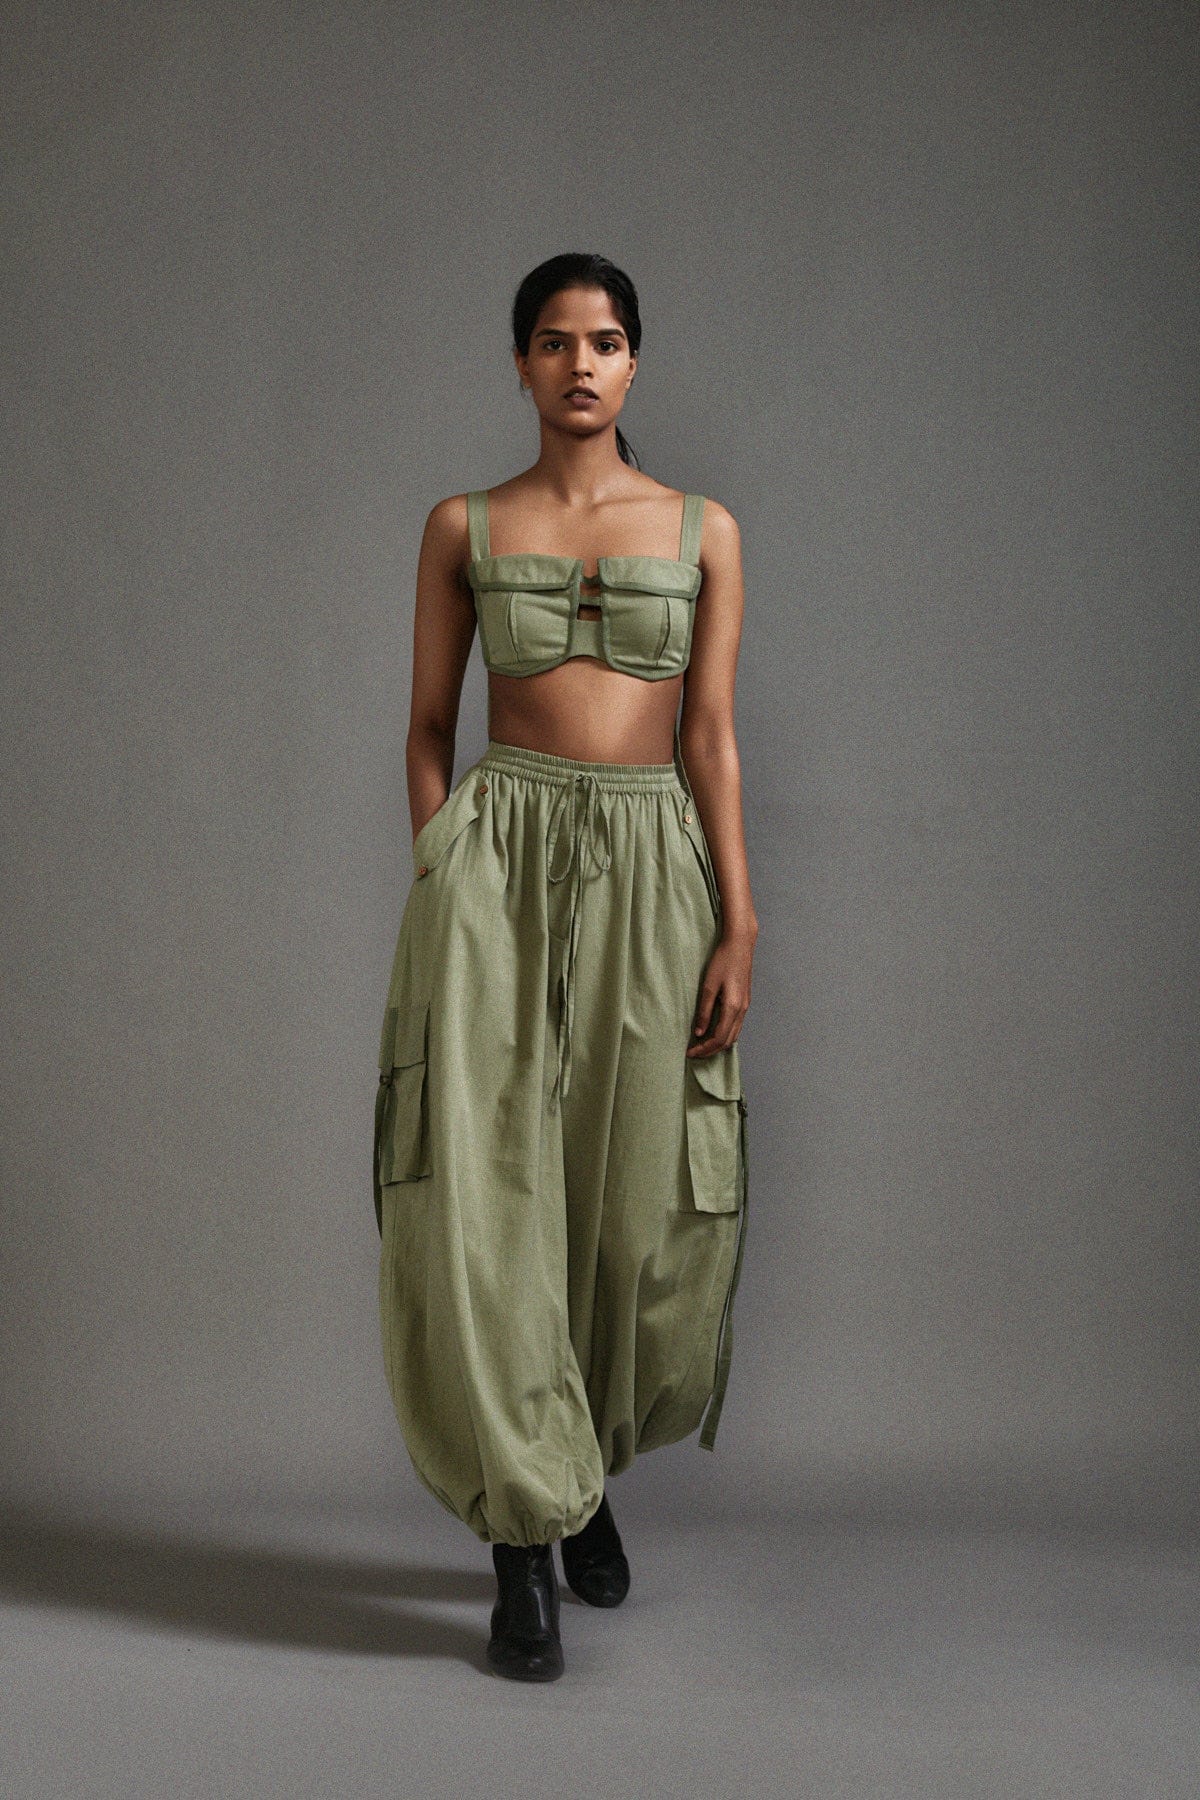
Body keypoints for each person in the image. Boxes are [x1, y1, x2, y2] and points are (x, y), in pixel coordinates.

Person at [372, 252, 757, 1681]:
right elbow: (428, 725)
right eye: (552, 340)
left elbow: (708, 735)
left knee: (629, 1191)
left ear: (635, 360)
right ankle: (523, 1546)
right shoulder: (463, 525)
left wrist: (740, 917)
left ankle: (581, 1469)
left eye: (603, 341)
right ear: (521, 364)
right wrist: (444, 861)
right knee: (490, 1193)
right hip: (500, 862)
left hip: (657, 863)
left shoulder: (705, 530)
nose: (579, 363)